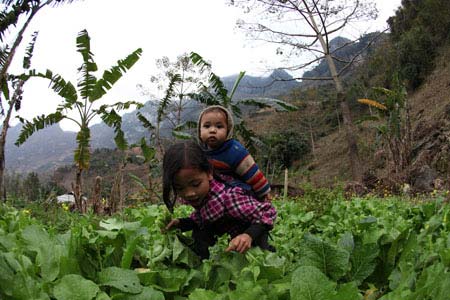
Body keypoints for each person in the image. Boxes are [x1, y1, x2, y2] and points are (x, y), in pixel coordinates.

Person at [163, 140, 276, 259]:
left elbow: (267, 212)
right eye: (180, 188)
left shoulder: (228, 197)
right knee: (200, 232)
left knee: (258, 252)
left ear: (209, 173)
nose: (189, 193)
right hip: (227, 237)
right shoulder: (203, 196)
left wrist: (248, 235)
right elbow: (202, 218)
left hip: (247, 241)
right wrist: (181, 223)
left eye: (196, 184)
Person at [197, 105, 271, 201]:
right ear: (199, 130)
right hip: (215, 195)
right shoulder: (199, 151)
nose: (212, 130)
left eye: (219, 126)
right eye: (207, 126)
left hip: (238, 194)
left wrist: (264, 193)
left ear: (228, 130)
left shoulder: (235, 151)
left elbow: (252, 173)